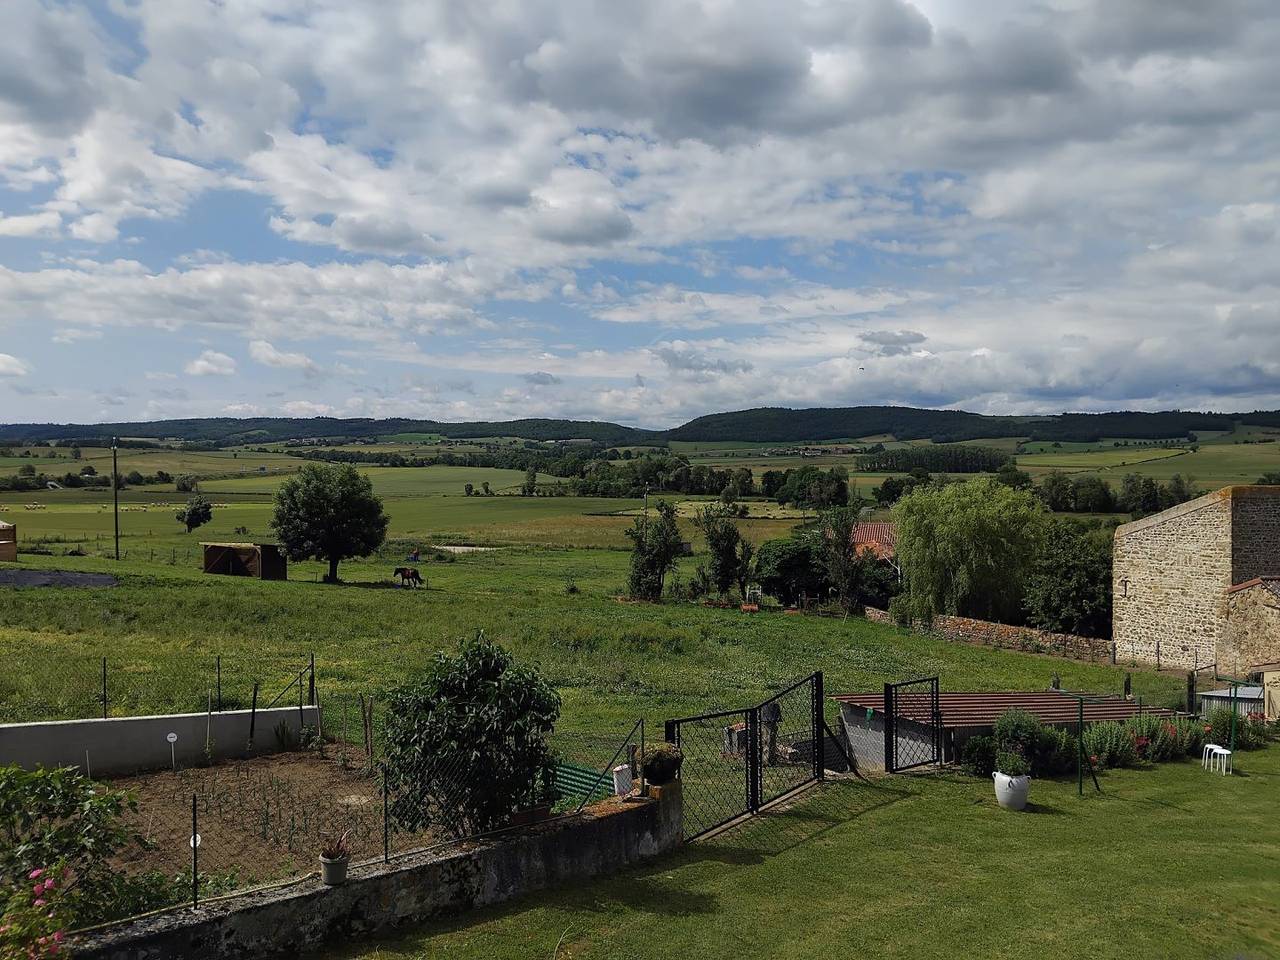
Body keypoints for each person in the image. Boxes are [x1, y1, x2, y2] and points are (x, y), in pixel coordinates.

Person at [761, 699, 782, 765]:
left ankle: (769, 759)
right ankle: (767, 760)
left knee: (770, 740)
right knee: (768, 740)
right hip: (768, 720)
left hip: (769, 719)